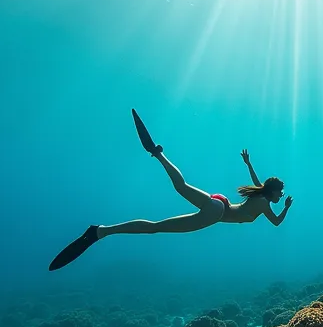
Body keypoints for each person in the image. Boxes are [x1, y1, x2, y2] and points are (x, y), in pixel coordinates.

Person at [49, 112, 292, 271]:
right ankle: (102, 232)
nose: (281, 196)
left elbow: (257, 181)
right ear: (272, 192)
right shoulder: (264, 204)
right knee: (156, 227)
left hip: (219, 203)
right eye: (280, 193)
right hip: (218, 213)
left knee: (180, 187)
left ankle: (157, 154)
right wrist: (287, 208)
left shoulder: (260, 195)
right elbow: (277, 223)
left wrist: (249, 164)